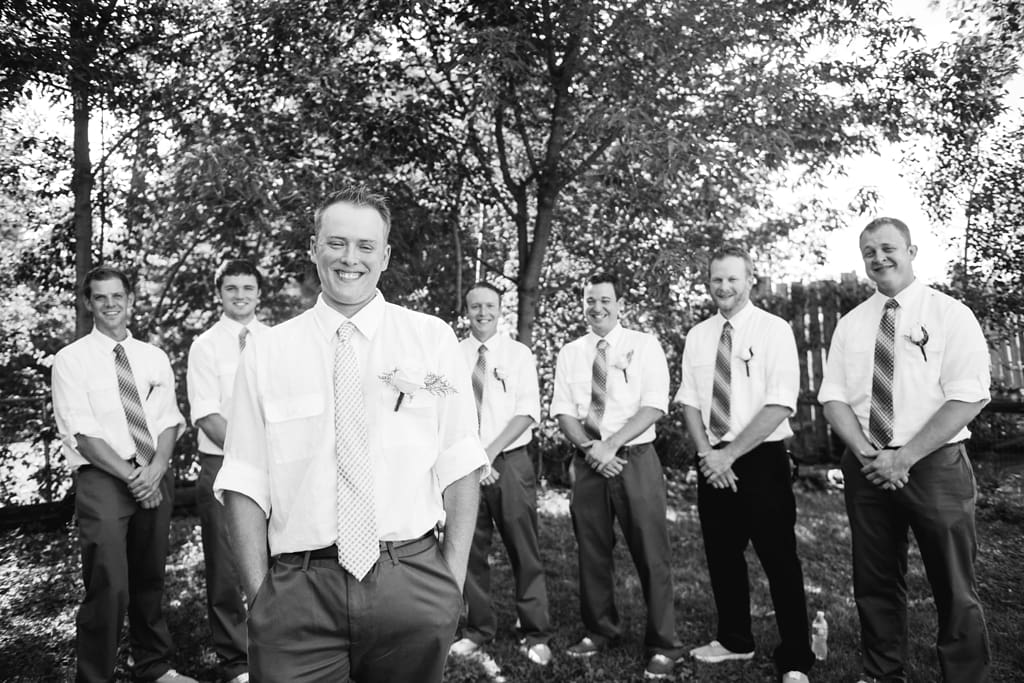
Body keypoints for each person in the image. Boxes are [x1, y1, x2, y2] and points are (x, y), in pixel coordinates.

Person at [214, 187, 489, 683]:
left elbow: (460, 462)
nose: (349, 258)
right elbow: (244, 481)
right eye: (336, 242)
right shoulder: (267, 352)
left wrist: (450, 581)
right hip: (298, 592)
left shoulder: (431, 339)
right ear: (314, 248)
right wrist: (260, 598)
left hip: (411, 578)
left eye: (365, 246)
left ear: (384, 256)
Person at [819, 218, 991, 683]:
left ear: (911, 250)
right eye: (869, 251)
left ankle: (965, 675)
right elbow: (832, 396)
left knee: (954, 585)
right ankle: (881, 673)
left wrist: (906, 456)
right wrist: (866, 453)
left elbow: (970, 394)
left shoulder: (949, 315)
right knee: (874, 582)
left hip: (935, 465)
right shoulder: (852, 325)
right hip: (868, 465)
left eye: (888, 248)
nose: (879, 258)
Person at [675, 245, 814, 683]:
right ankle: (735, 640)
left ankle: (795, 657)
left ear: (750, 279)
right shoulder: (699, 335)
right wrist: (707, 456)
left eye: (733, 278)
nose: (724, 287)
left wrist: (728, 455)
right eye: (717, 279)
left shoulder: (774, 330)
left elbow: (780, 404)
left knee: (779, 559)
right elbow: (691, 401)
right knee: (721, 555)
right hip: (712, 460)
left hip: (760, 460)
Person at [51, 266, 195, 683]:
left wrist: (157, 469)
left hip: (154, 472)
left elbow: (169, 420)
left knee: (149, 579)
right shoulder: (71, 360)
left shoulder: (153, 356)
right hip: (104, 478)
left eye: (118, 296)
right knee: (110, 583)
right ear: (87, 303)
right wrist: (134, 476)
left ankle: (154, 667)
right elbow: (79, 432)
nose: (111, 304)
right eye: (100, 297)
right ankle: (95, 676)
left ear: (131, 300)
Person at [550, 273, 685, 680]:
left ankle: (664, 644)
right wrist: (592, 450)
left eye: (605, 300)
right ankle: (600, 629)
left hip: (636, 459)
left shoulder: (643, 346)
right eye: (590, 301)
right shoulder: (571, 352)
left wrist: (611, 445)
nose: (597, 307)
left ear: (619, 304)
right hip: (589, 463)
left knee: (650, 551)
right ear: (583, 305)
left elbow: (655, 406)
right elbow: (563, 412)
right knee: (591, 550)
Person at [449, 281, 553, 666]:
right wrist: (473, 460)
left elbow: (527, 411)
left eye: (489, 306)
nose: (482, 313)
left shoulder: (518, 354)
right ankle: (477, 629)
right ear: (466, 310)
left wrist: (487, 455)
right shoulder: (452, 354)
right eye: (475, 306)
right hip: (464, 467)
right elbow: (444, 411)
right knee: (470, 549)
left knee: (523, 550)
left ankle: (536, 632)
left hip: (508, 463)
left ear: (500, 308)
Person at [186, 259, 269, 683]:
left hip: (276, 465)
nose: (240, 295)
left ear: (259, 293)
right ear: (219, 292)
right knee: (225, 567)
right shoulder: (205, 346)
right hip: (222, 463)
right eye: (231, 288)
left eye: (247, 288)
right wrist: (251, 449)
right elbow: (205, 414)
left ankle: (275, 647)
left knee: (277, 560)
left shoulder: (276, 341)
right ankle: (237, 662)